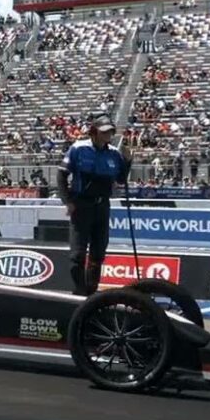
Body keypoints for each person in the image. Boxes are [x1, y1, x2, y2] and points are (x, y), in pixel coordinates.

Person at [57, 115, 132, 296]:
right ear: (94, 132)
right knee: (78, 254)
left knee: (98, 252)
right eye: (104, 131)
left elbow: (121, 179)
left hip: (102, 206)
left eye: (111, 131)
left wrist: (128, 161)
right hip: (81, 205)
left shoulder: (114, 153)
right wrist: (67, 201)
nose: (108, 134)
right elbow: (61, 175)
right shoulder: (78, 148)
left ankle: (91, 292)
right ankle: (79, 291)